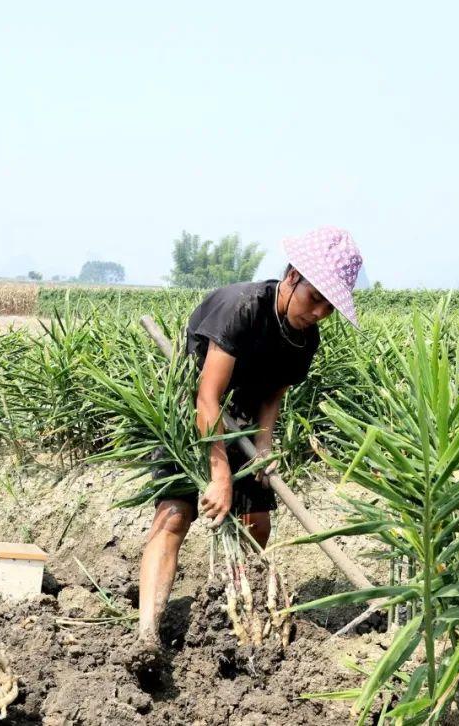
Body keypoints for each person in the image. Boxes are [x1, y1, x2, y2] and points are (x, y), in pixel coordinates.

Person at [136, 226, 364, 649]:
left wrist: (264, 445)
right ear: (293, 276)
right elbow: (207, 396)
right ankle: (147, 633)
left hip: (241, 423)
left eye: (329, 307)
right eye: (315, 298)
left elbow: (273, 394)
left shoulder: (304, 338)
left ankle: (223, 610)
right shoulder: (241, 307)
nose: (318, 313)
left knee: (256, 524)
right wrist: (219, 474)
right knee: (175, 516)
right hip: (191, 417)